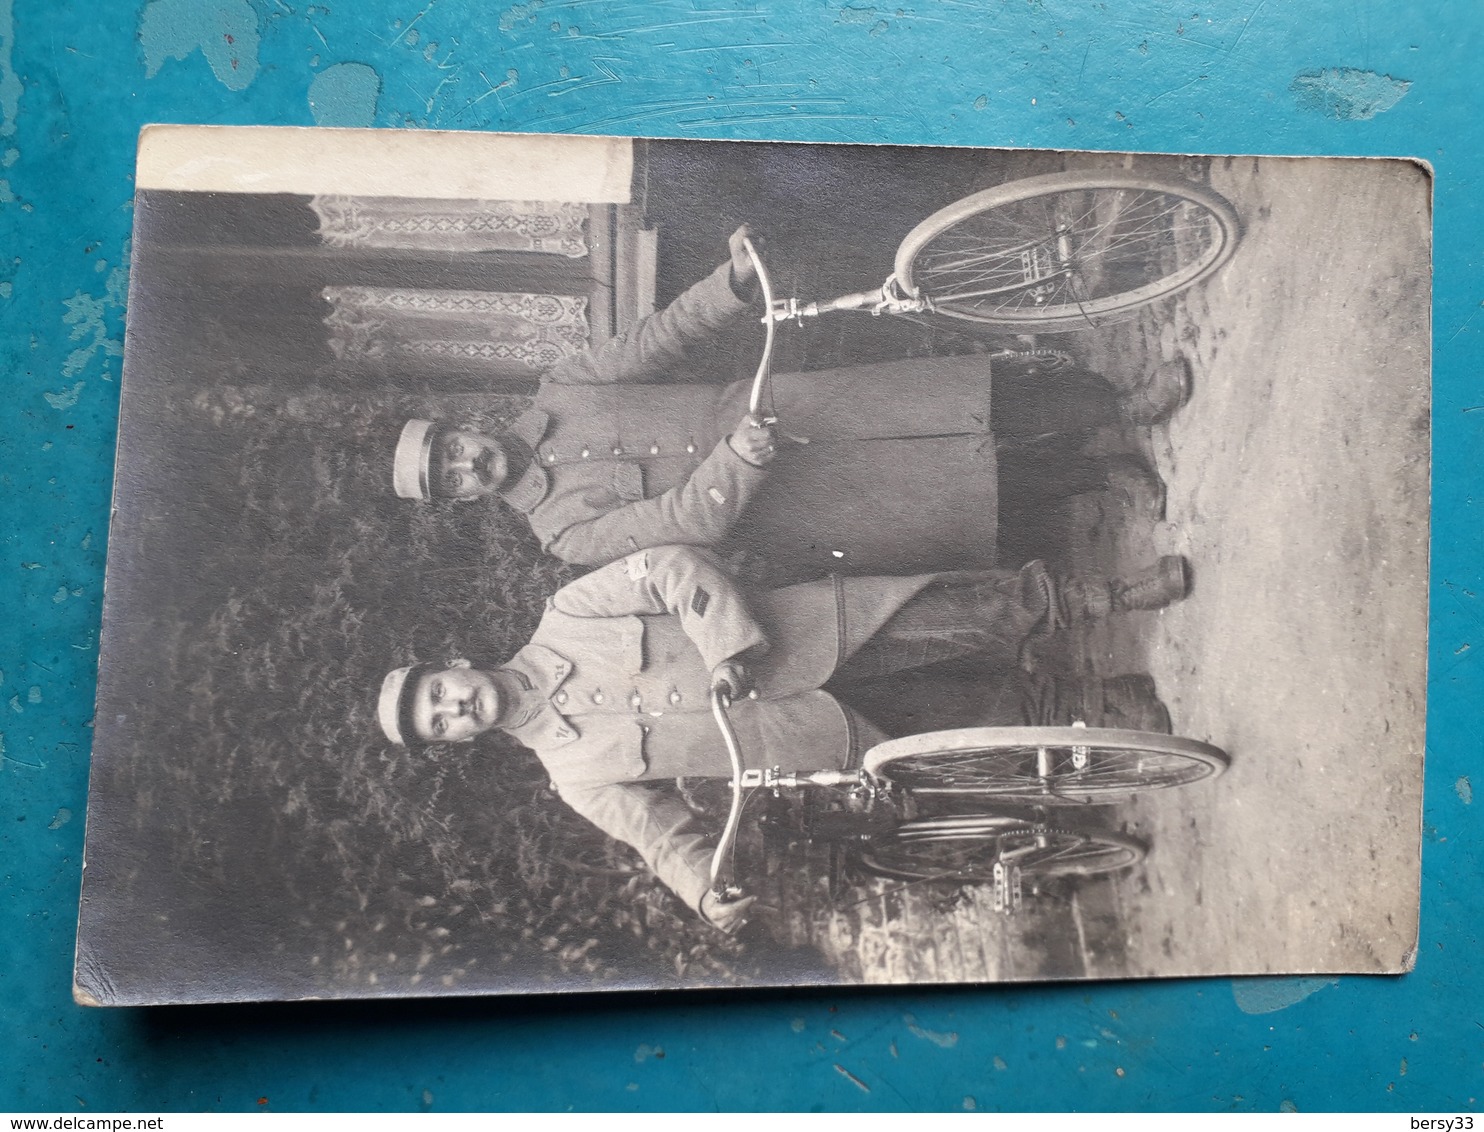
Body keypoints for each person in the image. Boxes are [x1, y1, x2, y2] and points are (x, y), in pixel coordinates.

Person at [376, 544, 1192, 932]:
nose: (456, 708)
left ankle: (1112, 596)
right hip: (808, 733)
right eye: (441, 723)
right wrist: (702, 890)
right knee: (962, 723)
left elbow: (665, 567)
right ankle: (1104, 699)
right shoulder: (571, 772)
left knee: (967, 612)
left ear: (453, 665)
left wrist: (725, 645)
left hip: (809, 634)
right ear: (455, 744)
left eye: (440, 694)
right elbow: (657, 838)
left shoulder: (567, 614)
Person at [390, 226, 1189, 585]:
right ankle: (1106, 477)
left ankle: (1121, 404)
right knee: (971, 492)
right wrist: (735, 463)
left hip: (798, 407)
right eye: (453, 478)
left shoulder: (563, 388)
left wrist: (729, 283)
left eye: (453, 448)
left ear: (465, 426)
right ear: (463, 500)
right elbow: (684, 522)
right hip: (795, 502)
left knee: (968, 401)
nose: (468, 464)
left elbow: (659, 338)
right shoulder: (562, 535)